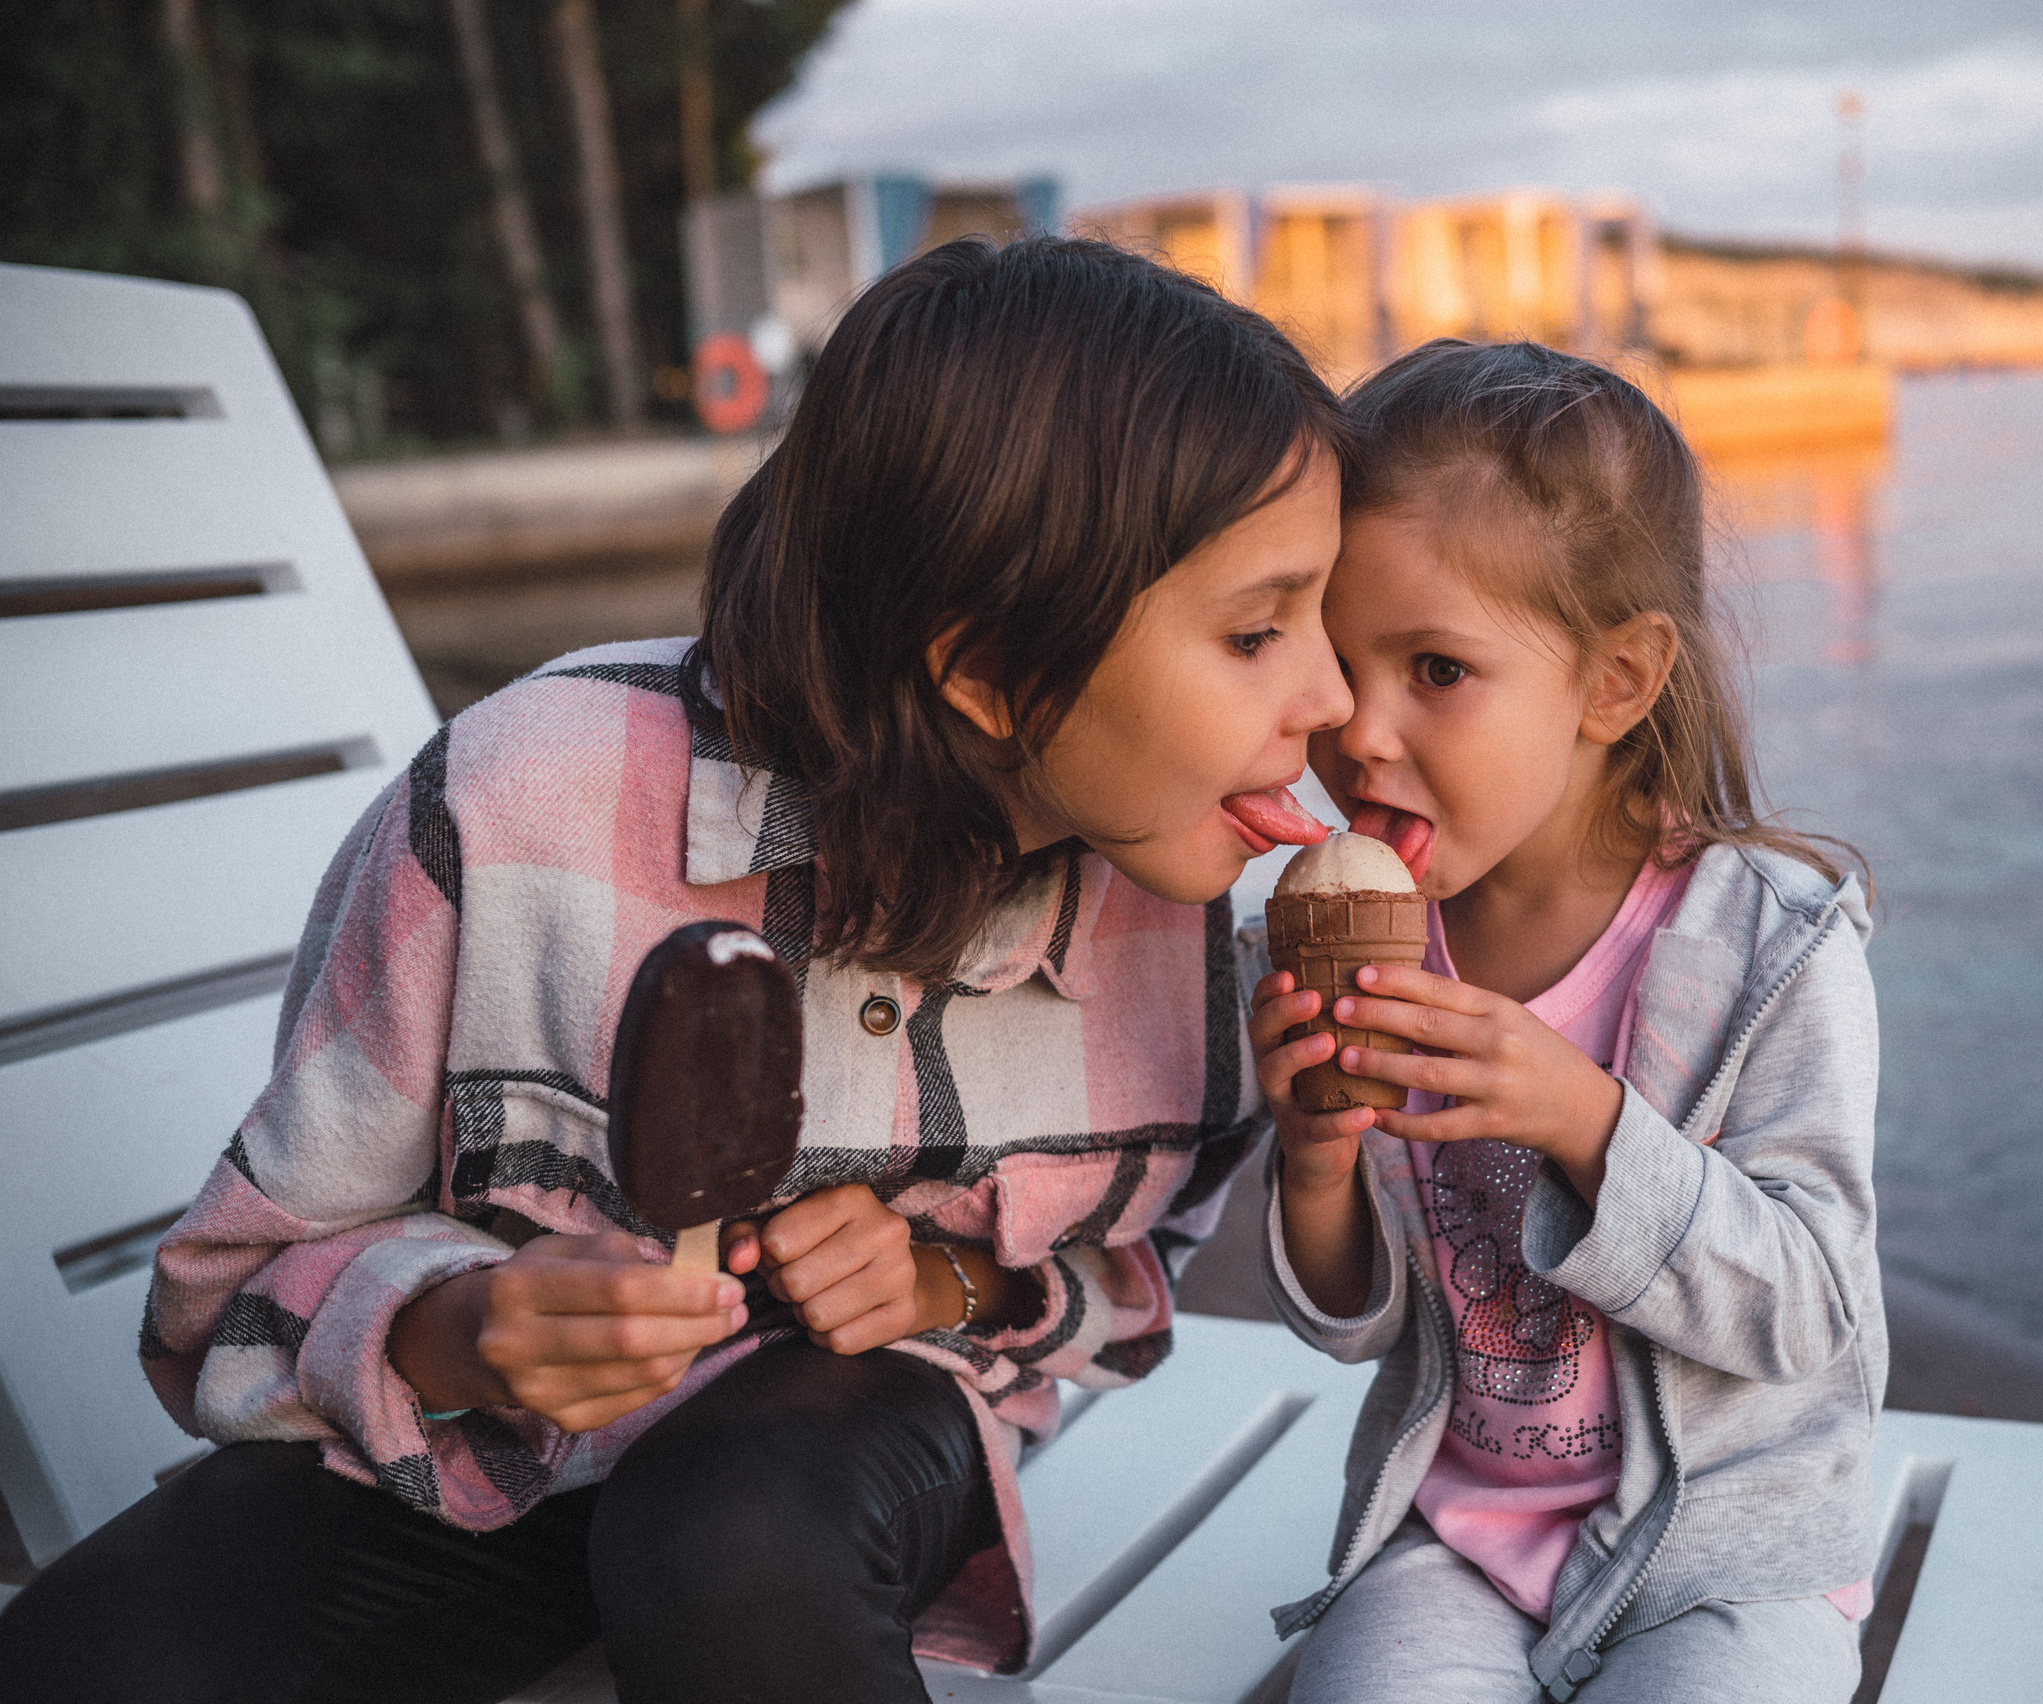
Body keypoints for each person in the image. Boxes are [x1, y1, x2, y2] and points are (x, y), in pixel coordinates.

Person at [0, 236, 1354, 1703]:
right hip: (474, 1453)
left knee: (728, 1545)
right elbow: (231, 1290)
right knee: (94, 1659)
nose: (1332, 698)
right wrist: (463, 1331)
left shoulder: (1177, 886)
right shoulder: (520, 809)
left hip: (842, 1448)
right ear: (987, 672)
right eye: (1257, 633)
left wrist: (939, 1275)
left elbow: (1134, 1280)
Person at [1254, 340, 1883, 1703]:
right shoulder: (1357, 940)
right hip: (1458, 1537)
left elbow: (1812, 1313)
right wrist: (1312, 1165)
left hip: (1723, 1558)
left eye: (1435, 668)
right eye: (1338, 662)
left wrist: (1591, 1123)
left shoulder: (1773, 948)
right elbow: (1355, 1330)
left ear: (1616, 682)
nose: (1359, 732)